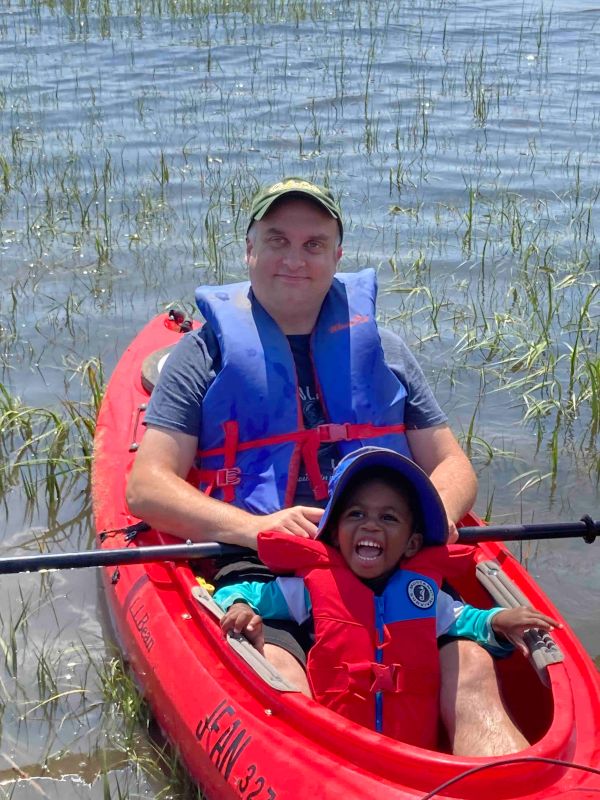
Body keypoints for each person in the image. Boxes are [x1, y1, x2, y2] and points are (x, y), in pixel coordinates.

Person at [126, 176, 522, 755]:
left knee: (472, 665)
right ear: (250, 250)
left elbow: (454, 466)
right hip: (263, 563)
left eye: (314, 244)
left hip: (380, 549)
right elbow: (146, 488)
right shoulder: (202, 355)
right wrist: (257, 528)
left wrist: (424, 522)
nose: (295, 258)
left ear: (337, 256)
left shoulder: (383, 348)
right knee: (281, 672)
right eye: (278, 239)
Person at [216, 447, 561, 750]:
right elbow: (245, 592)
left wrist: (497, 621)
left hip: (411, 756)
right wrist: (241, 607)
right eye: (356, 514)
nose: (370, 526)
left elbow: (464, 620)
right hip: (336, 751)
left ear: (412, 544)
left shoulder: (422, 596)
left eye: (388, 517)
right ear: (334, 535)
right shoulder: (309, 591)